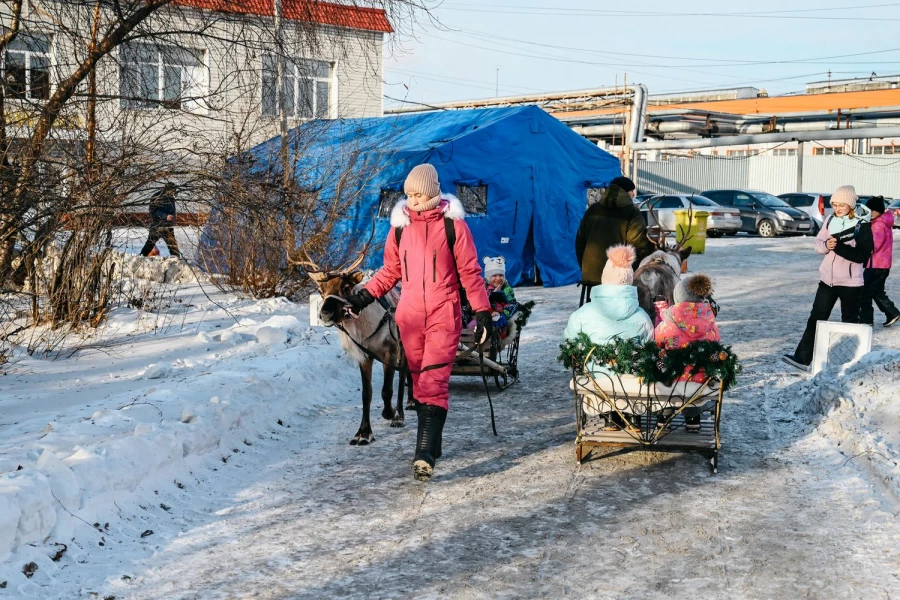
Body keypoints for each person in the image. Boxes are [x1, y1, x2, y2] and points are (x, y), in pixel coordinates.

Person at [345, 164, 491, 482]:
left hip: (443, 313)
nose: (412, 198)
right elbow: (389, 271)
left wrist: (482, 312)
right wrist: (363, 297)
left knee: (433, 382)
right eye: (408, 193)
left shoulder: (454, 227)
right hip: (409, 317)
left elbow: (470, 272)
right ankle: (433, 444)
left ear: (433, 192)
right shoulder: (400, 228)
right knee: (418, 382)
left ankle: (423, 455)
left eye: (418, 193)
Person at [784, 185, 874, 372]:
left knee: (849, 321)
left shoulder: (861, 225)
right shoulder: (830, 220)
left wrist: (837, 246)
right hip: (827, 280)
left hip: (851, 283)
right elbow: (818, 244)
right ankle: (802, 358)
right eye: (835, 204)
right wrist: (826, 244)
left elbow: (863, 255)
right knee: (816, 317)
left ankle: (850, 363)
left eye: (842, 204)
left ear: (850, 205)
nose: (838, 208)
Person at [564, 244, 654, 429]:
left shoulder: (583, 314)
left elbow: (570, 342)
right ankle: (631, 415)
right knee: (634, 370)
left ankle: (609, 416)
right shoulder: (641, 316)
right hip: (632, 383)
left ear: (605, 278)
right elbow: (650, 346)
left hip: (597, 379)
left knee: (598, 371)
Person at [654, 274, 720, 431]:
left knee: (661, 369)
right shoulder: (710, 324)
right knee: (697, 376)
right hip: (698, 382)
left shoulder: (667, 325)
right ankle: (692, 417)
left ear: (677, 297)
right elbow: (716, 346)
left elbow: (657, 344)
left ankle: (664, 414)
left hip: (670, 381)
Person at [574, 176, 654, 305]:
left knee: (593, 309)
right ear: (626, 192)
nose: (634, 194)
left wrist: (586, 268)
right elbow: (638, 247)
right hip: (619, 277)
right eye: (632, 191)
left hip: (591, 275)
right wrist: (630, 273)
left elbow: (580, 242)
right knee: (618, 311)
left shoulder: (593, 209)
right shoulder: (632, 212)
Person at [859, 196, 900, 328]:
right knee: (877, 292)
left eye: (872, 211)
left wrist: (862, 240)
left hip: (875, 265)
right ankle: (892, 313)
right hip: (882, 265)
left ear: (878, 211)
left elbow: (874, 245)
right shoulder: (882, 223)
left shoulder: (878, 225)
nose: (869, 213)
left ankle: (866, 321)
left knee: (865, 293)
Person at [140, 182, 180, 257]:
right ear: (168, 189)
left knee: (173, 247)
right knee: (149, 244)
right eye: (172, 191)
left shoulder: (171, 198)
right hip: (157, 225)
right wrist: (165, 216)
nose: (173, 193)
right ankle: (141, 258)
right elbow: (153, 211)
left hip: (168, 226)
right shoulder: (157, 196)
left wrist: (173, 217)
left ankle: (178, 260)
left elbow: (172, 211)